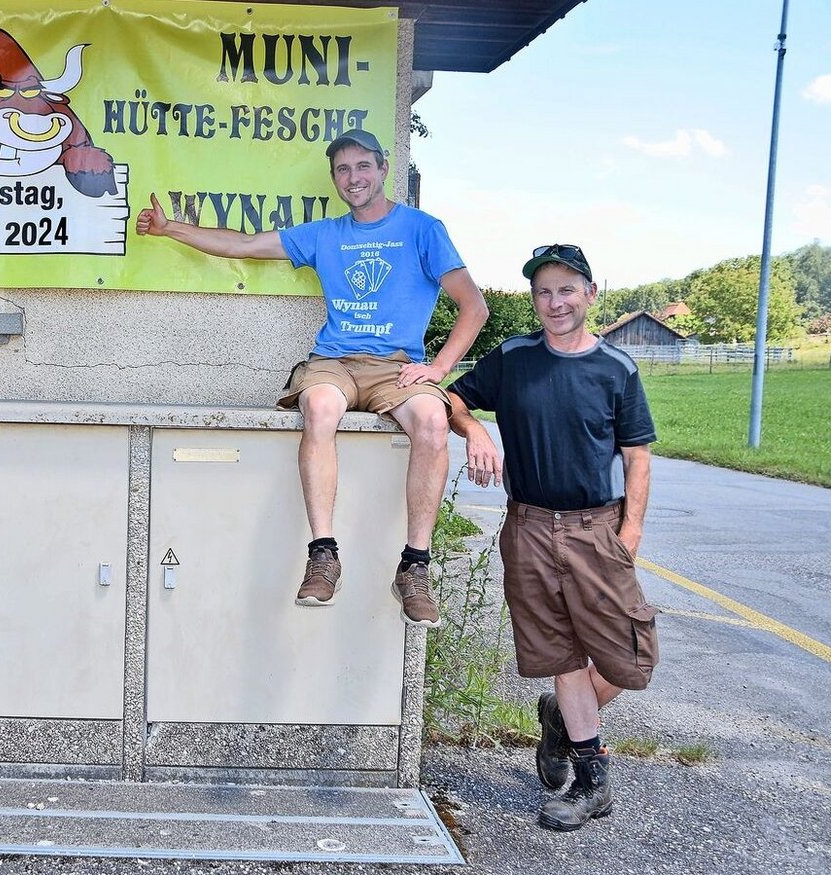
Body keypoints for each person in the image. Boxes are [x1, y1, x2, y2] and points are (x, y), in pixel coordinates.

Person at [135, 129, 488, 625]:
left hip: (395, 367)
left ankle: (415, 566)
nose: (354, 178)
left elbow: (474, 307)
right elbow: (244, 245)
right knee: (319, 407)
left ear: (384, 168)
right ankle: (323, 554)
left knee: (433, 421)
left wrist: (439, 367)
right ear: (335, 179)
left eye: (363, 166)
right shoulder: (325, 233)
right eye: (343, 170)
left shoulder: (423, 229)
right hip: (335, 362)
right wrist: (171, 229)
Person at [446, 243, 659, 831]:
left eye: (567, 289)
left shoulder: (617, 369)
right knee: (563, 656)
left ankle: (562, 721)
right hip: (530, 527)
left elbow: (637, 456)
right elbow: (450, 398)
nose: (555, 302)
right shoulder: (513, 359)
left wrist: (631, 530)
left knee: (627, 661)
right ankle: (593, 784)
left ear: (590, 294)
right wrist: (475, 432)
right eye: (543, 291)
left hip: (598, 529)